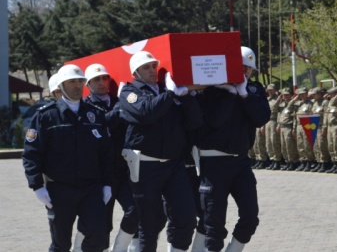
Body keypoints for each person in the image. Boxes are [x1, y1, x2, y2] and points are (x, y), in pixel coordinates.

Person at [22, 64, 114, 252]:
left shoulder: (95, 114)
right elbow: (32, 152)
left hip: (91, 189)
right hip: (59, 190)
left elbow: (106, 153)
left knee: (98, 236)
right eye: (71, 82)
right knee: (61, 244)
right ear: (61, 86)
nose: (77, 86)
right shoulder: (46, 116)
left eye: (80, 81)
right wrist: (37, 185)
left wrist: (108, 183)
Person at [119, 50, 203, 252]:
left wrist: (188, 97)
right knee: (149, 222)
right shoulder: (129, 92)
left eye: (153, 66)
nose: (152, 70)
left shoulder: (168, 91)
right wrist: (170, 94)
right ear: (135, 72)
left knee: (186, 216)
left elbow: (195, 122)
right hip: (145, 165)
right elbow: (146, 112)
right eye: (146, 67)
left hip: (174, 164)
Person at [194, 46, 271, 252]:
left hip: (240, 163)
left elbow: (261, 118)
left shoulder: (253, 90)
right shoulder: (211, 91)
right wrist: (229, 93)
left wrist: (244, 95)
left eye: (249, 69)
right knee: (214, 222)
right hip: (214, 163)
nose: (245, 73)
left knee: (250, 216)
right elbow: (215, 120)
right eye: (242, 68)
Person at [83, 63, 140, 252]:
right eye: (96, 80)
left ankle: (120, 248)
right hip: (99, 174)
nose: (102, 83)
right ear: (88, 84)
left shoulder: (119, 100)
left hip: (122, 170)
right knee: (102, 222)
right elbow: (101, 125)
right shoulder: (85, 107)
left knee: (135, 210)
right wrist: (120, 110)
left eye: (104, 78)